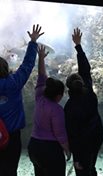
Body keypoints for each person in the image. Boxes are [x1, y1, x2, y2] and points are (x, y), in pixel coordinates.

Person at [0, 24, 44, 176]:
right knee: (10, 169)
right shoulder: (14, 82)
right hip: (12, 136)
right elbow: (27, 65)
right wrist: (32, 42)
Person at [64, 28, 103, 176]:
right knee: (91, 166)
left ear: (68, 88)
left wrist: (77, 158)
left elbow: (73, 135)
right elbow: (85, 69)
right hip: (97, 136)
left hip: (83, 144)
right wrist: (78, 46)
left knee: (82, 171)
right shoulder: (89, 92)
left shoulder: (70, 107)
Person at [27, 45, 71, 176]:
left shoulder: (39, 95)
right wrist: (67, 150)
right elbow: (60, 134)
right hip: (49, 150)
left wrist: (40, 57)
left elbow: (41, 75)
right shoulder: (57, 110)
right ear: (58, 95)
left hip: (33, 146)